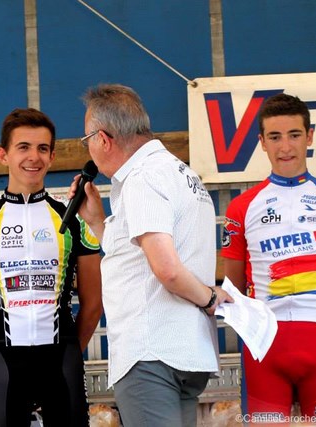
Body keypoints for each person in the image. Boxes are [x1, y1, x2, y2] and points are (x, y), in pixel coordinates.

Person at [69, 83, 233, 427]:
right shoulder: (181, 173)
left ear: (103, 139)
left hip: (150, 352)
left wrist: (209, 298)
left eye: (87, 140)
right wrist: (97, 222)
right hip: (185, 349)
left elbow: (167, 269)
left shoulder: (143, 179)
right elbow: (139, 258)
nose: (89, 149)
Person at [0, 107, 103, 427]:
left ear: (52, 157)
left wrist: (69, 351)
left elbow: (93, 303)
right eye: (23, 147)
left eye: (42, 148)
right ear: (3, 155)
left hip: (61, 358)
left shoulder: (77, 216)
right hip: (3, 360)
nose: (33, 157)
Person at [221, 93, 316, 423]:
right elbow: (234, 292)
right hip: (264, 352)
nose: (285, 147)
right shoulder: (240, 208)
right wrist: (262, 338)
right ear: (262, 142)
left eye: (294, 135)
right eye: (275, 137)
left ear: (309, 137)